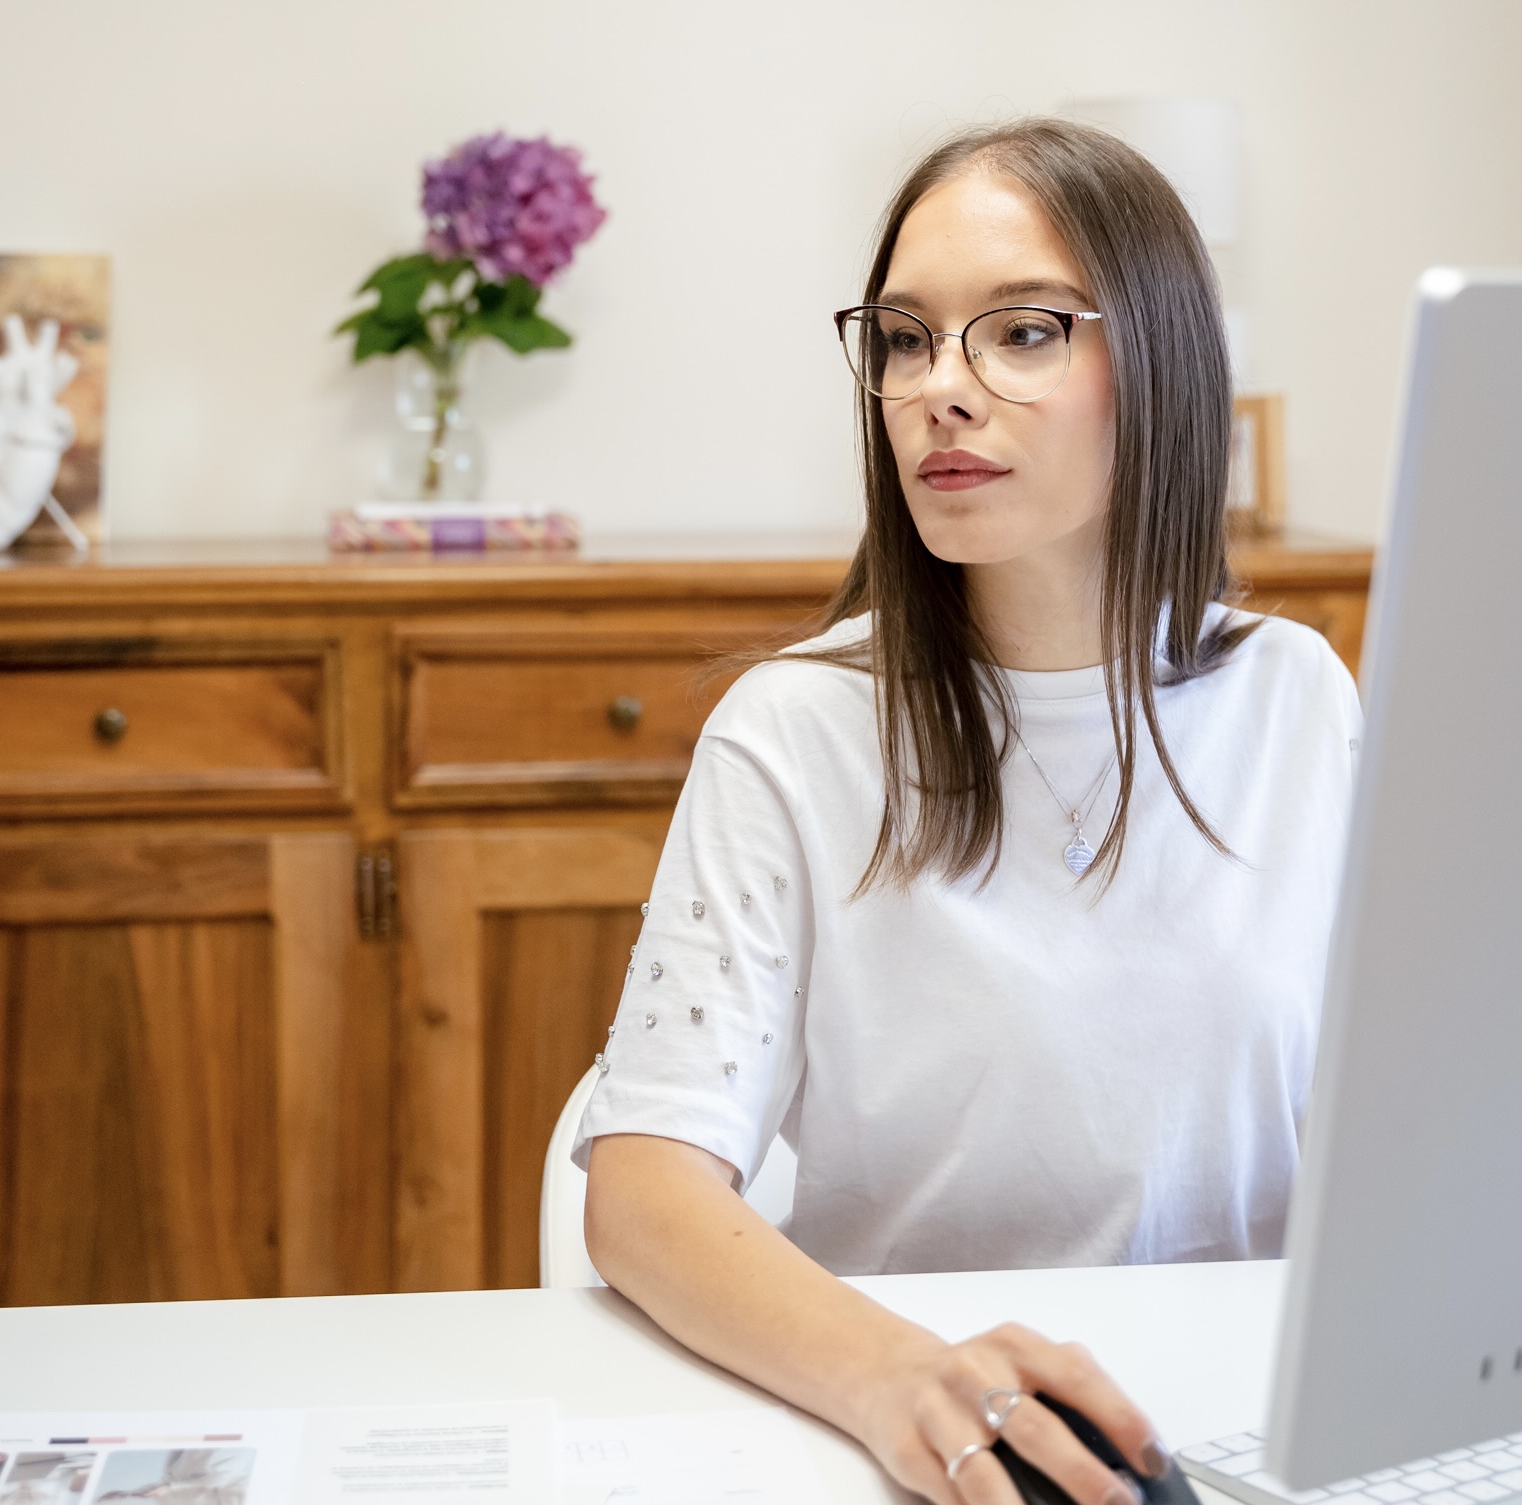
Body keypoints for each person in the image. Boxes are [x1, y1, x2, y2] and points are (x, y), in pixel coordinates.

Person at [575, 118, 1361, 1505]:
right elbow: (645, 1191)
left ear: (1161, 363)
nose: (940, 387)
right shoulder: (795, 728)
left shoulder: (1297, 699)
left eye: (1021, 333)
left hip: (1247, 1440)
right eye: (903, 337)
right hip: (933, 1445)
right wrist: (902, 1380)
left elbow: (1401, 1126)